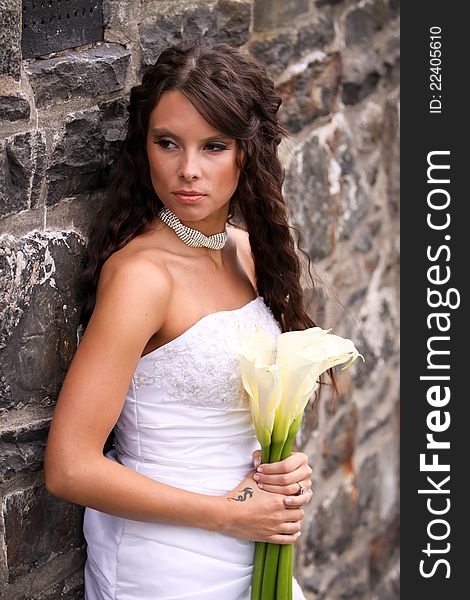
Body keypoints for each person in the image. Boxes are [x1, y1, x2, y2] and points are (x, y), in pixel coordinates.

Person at [44, 40, 323, 600]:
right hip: (168, 561)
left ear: (248, 152)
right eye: (167, 143)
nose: (188, 171)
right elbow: (69, 467)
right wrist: (226, 514)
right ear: (143, 145)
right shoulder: (142, 277)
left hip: (251, 544)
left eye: (213, 147)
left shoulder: (246, 252)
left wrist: (283, 464)